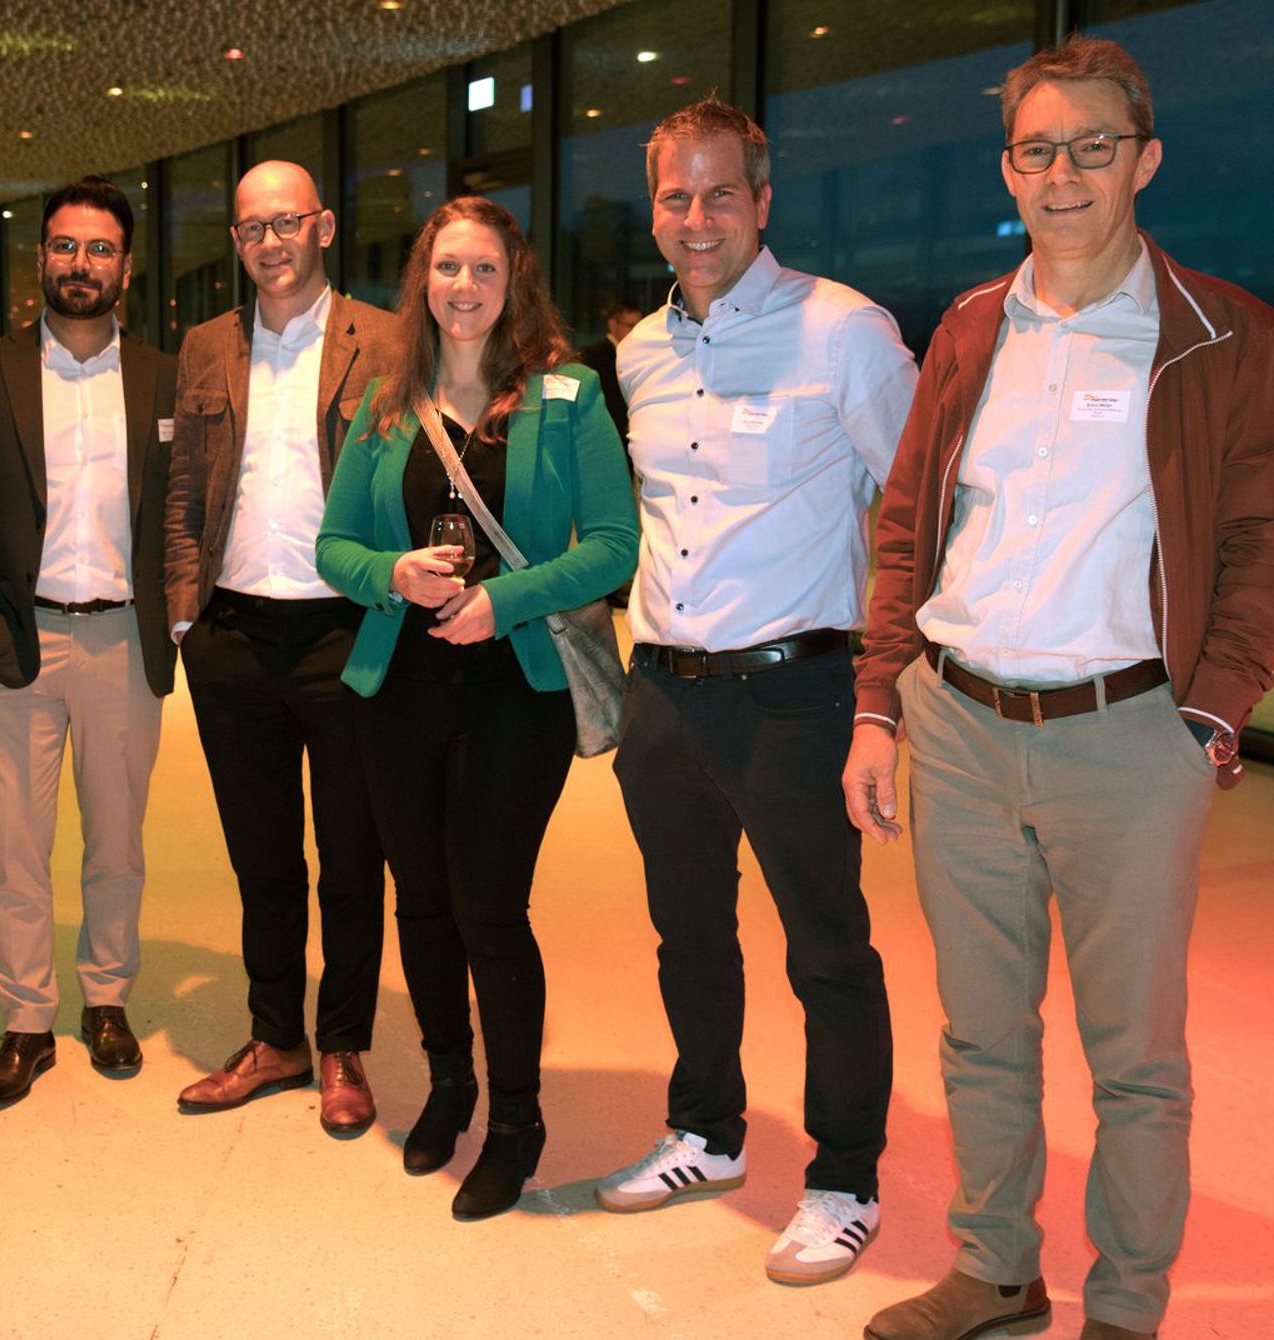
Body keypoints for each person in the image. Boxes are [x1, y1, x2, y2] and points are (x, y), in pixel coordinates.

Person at [845, 36, 1274, 1340]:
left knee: (1135, 1058)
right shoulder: (972, 327)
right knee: (980, 1036)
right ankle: (996, 1270)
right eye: (1038, 149)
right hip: (960, 724)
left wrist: (1207, 711)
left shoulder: (1221, 334)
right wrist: (879, 703)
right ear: (1007, 169)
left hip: (1127, 737)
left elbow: (1259, 541)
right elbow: (907, 525)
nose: (1064, 173)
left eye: (1093, 146)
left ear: (1143, 160)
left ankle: (1127, 1308)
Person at [593, 96, 913, 1288]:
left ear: (761, 201)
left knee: (826, 947)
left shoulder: (843, 331)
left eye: (717, 193)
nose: (694, 217)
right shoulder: (637, 350)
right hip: (664, 694)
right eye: (672, 196)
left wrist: (884, 696)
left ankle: (844, 1177)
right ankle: (706, 1130)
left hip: (795, 695)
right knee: (687, 933)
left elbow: (915, 510)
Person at [316, 195, 637, 1218]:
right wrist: (391, 572)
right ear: (422, 281)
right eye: (447, 268)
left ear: (514, 281)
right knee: (420, 899)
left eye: (484, 269)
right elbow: (332, 547)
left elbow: (614, 546)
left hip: (516, 692)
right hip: (398, 690)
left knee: (488, 906)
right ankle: (448, 1082)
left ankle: (515, 1119)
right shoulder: (383, 402)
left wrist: (506, 599)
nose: (464, 287)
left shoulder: (567, 395)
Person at [0, 176, 177, 1107]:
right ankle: (26, 1020)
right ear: (40, 259)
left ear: (126, 268)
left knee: (117, 844)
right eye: (65, 246)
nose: (81, 264)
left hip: (124, 643)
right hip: (13, 645)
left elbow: (184, 510)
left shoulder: (162, 377)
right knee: (15, 849)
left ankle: (107, 999)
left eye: (100, 249)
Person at [163, 161, 392, 1134]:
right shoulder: (206, 345)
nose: (269, 242)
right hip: (232, 638)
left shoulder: (386, 340)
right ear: (237, 241)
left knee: (351, 856)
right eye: (252, 227)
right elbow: (184, 486)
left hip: (346, 633)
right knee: (261, 858)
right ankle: (274, 1037)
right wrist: (185, 616)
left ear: (323, 227)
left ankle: (340, 1043)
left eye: (285, 222)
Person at [575, 298, 639, 443]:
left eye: (638, 326)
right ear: (612, 324)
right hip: (606, 433)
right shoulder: (592, 356)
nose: (635, 331)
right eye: (630, 326)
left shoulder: (640, 356)